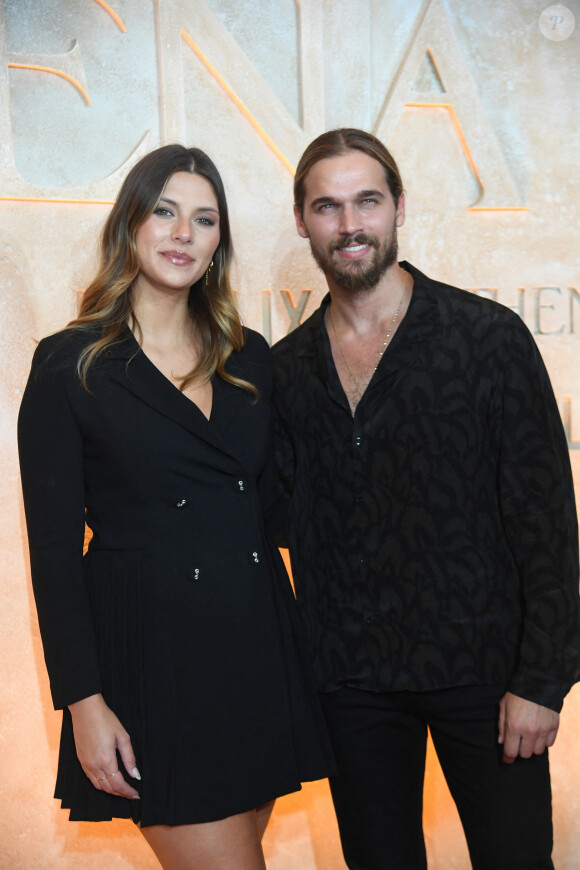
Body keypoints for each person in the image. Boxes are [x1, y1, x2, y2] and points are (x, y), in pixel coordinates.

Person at [18, 144, 333, 870]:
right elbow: (55, 556)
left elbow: (275, 506)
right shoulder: (72, 364)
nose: (182, 233)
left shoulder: (248, 355)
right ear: (130, 223)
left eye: (204, 218)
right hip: (152, 665)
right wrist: (85, 707)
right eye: (164, 212)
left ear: (220, 241)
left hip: (257, 649)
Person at [272, 128, 580, 870]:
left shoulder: (487, 339)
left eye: (367, 201)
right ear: (302, 221)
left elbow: (547, 523)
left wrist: (542, 682)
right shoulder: (284, 371)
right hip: (350, 685)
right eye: (328, 206)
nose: (350, 224)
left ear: (398, 208)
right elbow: (272, 523)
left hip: (487, 679)